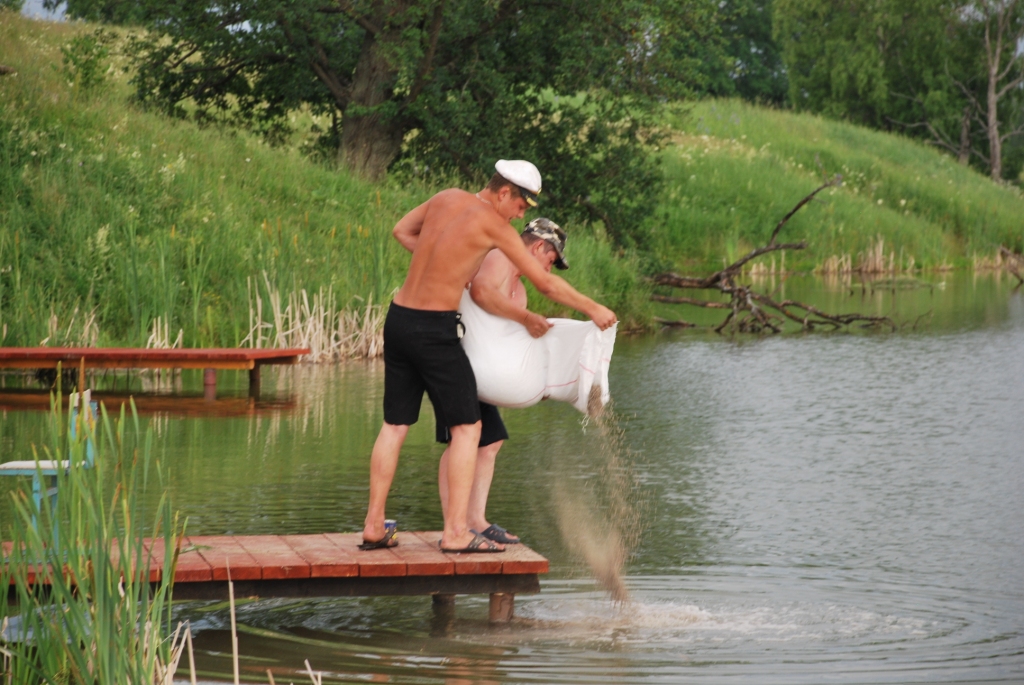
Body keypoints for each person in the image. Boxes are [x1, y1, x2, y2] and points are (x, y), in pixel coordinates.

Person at [360, 160, 617, 553]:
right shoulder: (494, 226)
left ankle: (374, 526)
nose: (520, 216)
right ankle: (456, 533)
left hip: (398, 321)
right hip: (434, 329)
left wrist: (446, 260)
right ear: (503, 193)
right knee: (469, 427)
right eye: (520, 207)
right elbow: (544, 281)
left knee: (395, 425)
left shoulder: (446, 198)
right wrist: (593, 309)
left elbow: (402, 230)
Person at [435, 218, 569, 545]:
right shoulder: (499, 257)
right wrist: (524, 318)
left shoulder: (519, 290)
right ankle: (454, 525)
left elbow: (509, 343)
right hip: (452, 361)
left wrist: (541, 384)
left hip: (483, 372)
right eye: (550, 262)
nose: (548, 272)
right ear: (538, 246)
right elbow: (480, 291)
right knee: (461, 440)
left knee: (490, 442)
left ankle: (475, 519)